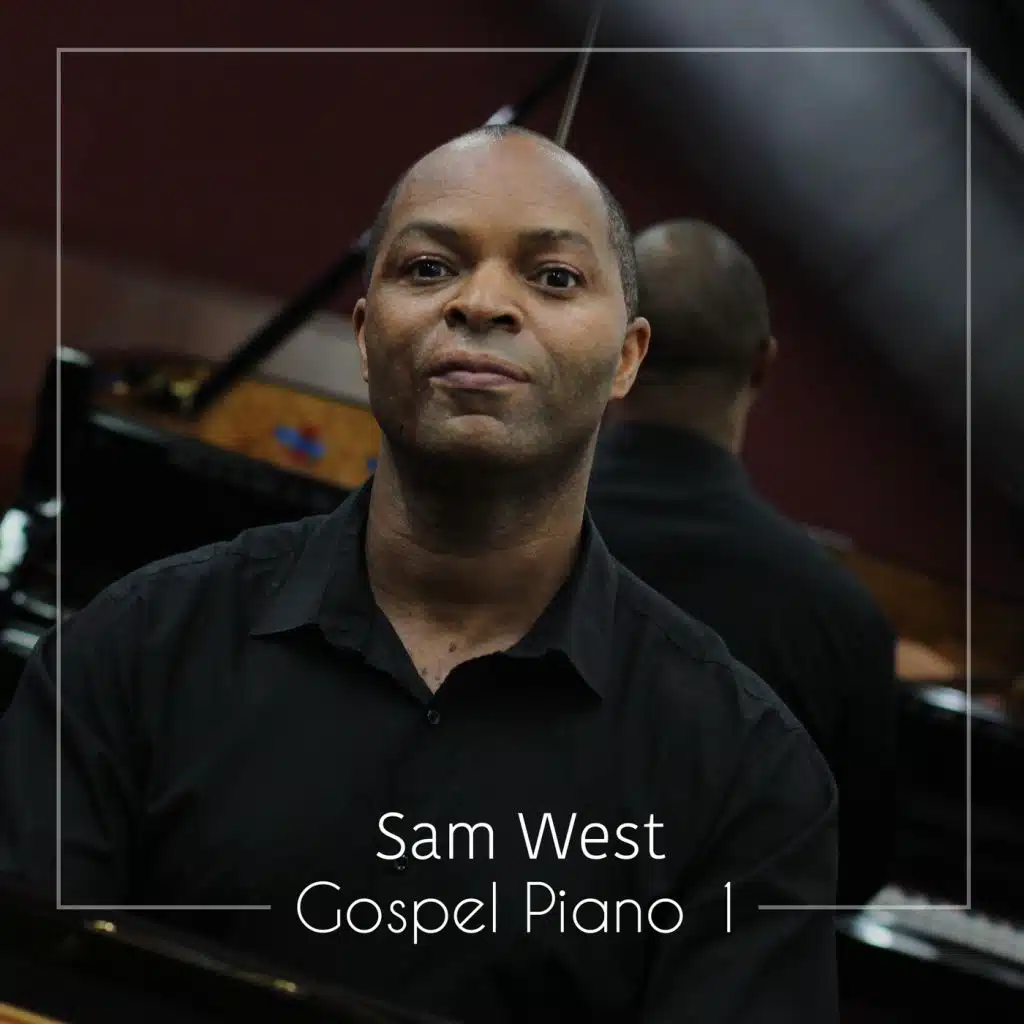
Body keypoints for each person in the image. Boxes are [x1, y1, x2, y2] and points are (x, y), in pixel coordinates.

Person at [0, 129, 839, 1023]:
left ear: (627, 358)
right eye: (431, 267)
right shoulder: (126, 653)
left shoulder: (748, 772)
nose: (482, 302)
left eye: (554, 277)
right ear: (366, 336)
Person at [588, 218, 898, 908]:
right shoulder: (841, 619)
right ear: (762, 366)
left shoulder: (476, 527)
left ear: (617, 346)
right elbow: (849, 878)